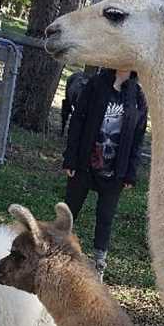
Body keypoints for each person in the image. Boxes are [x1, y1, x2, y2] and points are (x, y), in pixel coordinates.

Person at [63, 67, 148, 279]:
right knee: (70, 210)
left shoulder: (137, 96)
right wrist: (70, 158)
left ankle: (98, 263)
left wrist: (130, 172)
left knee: (105, 218)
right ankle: (57, 249)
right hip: (84, 166)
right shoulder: (95, 85)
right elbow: (77, 122)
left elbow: (138, 138)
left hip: (114, 173)